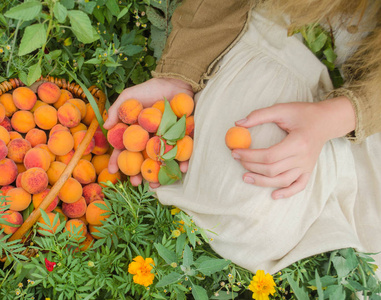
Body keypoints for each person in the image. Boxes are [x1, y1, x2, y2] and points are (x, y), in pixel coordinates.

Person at [103, 0, 381, 273]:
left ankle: (332, 162)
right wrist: (177, 77)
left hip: (368, 81)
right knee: (246, 211)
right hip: (280, 32)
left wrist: (332, 119)